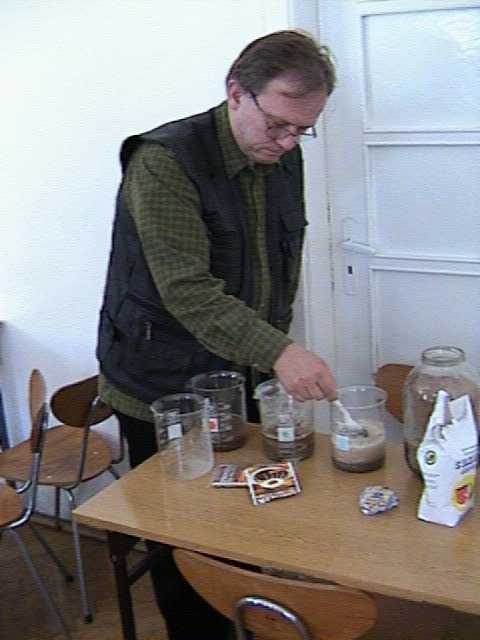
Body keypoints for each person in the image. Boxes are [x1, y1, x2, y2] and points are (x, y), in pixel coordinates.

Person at [97, 29, 337, 640]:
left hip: (239, 375)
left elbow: (281, 265)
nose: (288, 142)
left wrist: (272, 358)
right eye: (278, 124)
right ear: (236, 92)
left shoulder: (282, 154)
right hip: (161, 387)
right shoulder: (164, 162)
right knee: (186, 550)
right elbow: (188, 291)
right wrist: (282, 352)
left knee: (242, 530)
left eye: (303, 130)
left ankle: (244, 621)